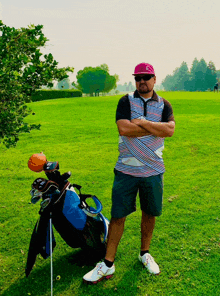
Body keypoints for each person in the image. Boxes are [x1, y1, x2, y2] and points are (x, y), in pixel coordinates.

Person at [83, 63, 175, 284]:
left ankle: (145, 253)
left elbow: (170, 130)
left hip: (153, 170)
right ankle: (107, 264)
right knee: (118, 216)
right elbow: (123, 129)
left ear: (154, 79)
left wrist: (142, 123)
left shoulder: (164, 104)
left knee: (149, 213)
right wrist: (155, 128)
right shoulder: (125, 101)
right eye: (138, 78)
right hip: (126, 170)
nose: (142, 81)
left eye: (146, 77)